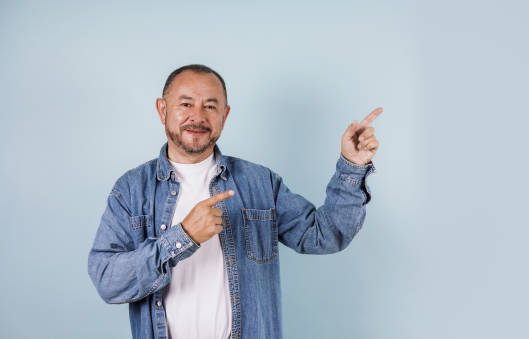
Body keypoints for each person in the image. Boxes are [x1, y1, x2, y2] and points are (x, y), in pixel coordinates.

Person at [87, 64, 381, 339]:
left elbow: (325, 236)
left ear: (224, 116)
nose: (198, 117)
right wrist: (183, 237)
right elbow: (107, 281)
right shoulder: (131, 189)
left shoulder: (259, 182)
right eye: (186, 104)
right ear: (162, 110)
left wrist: (351, 166)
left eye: (210, 106)